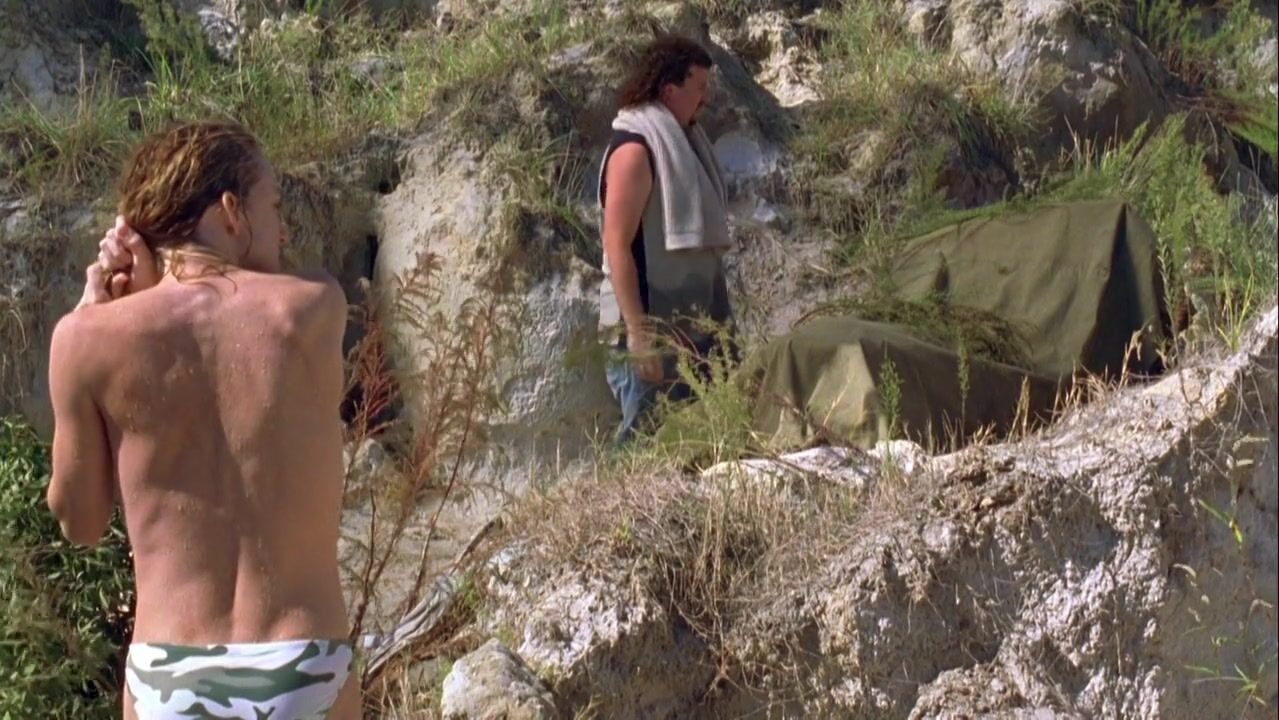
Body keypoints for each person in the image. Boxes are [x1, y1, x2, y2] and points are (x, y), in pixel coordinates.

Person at [46, 121, 360, 719]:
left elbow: (79, 522)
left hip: (170, 670)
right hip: (301, 663)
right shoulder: (314, 305)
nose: (283, 229)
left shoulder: (84, 340)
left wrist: (103, 308)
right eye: (273, 206)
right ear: (231, 211)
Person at [598, 34, 736, 445]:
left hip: (694, 335)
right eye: (699, 87)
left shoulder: (686, 144)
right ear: (669, 90)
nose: (705, 98)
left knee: (703, 444)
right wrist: (639, 336)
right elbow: (617, 246)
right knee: (644, 447)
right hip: (649, 338)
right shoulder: (634, 151)